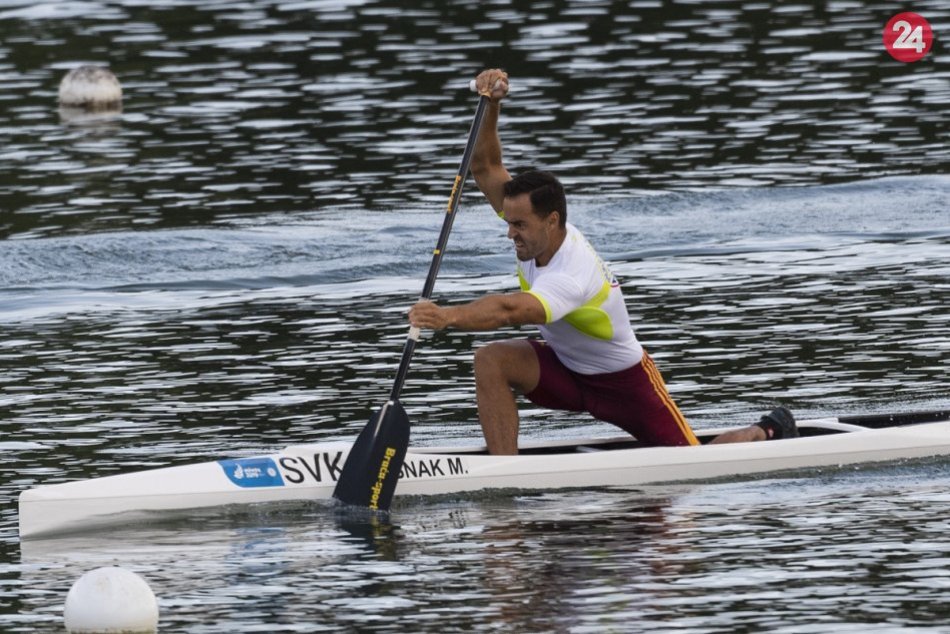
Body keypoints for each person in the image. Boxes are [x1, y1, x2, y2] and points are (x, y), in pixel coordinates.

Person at [408, 69, 798, 455]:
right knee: (491, 359)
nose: (511, 233)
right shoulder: (533, 229)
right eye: (509, 223)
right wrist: (491, 105)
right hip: (565, 369)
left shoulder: (573, 272)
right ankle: (502, 474)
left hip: (625, 384)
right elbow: (485, 168)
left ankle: (765, 431)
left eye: (519, 225)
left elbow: (511, 309)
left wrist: (447, 317)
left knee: (696, 459)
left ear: (552, 221)